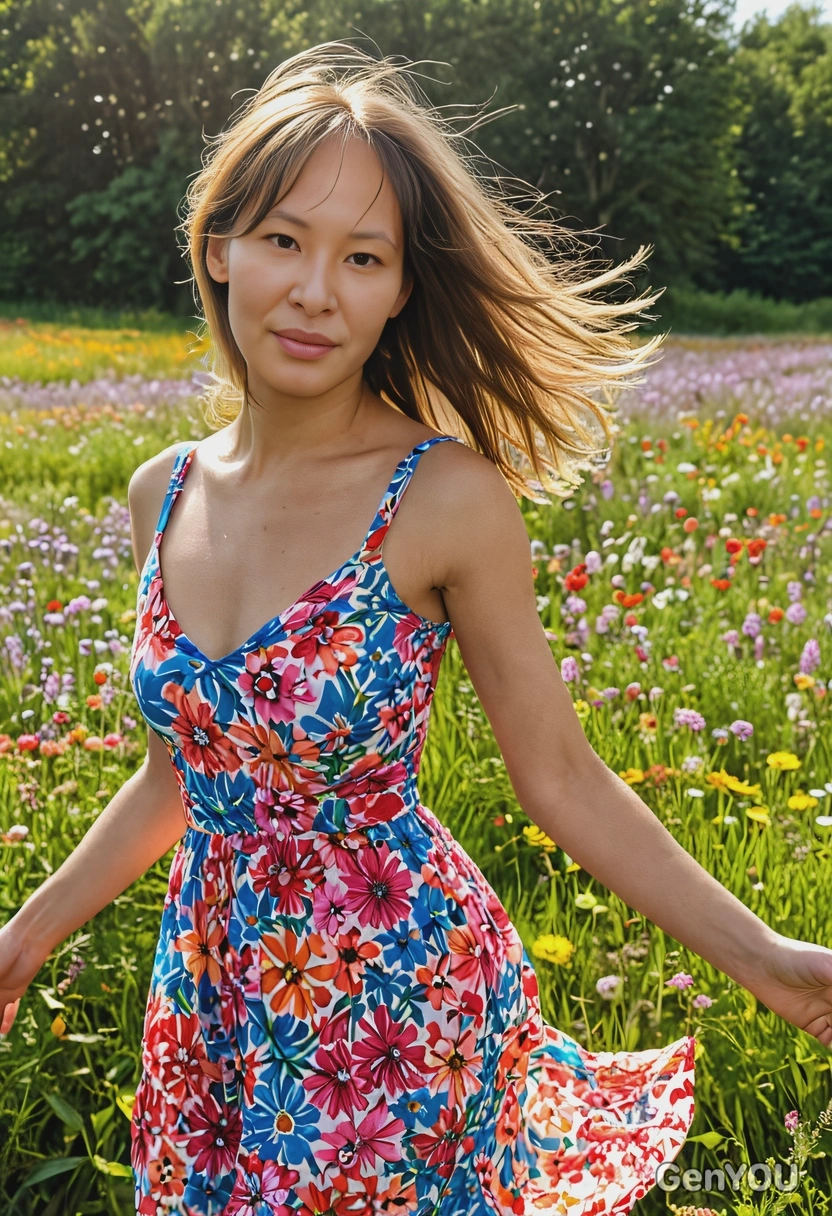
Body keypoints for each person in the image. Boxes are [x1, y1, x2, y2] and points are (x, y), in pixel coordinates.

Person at [2, 39, 831, 1216]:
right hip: (212, 1003)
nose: (315, 289)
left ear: (398, 290)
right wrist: (24, 937)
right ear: (219, 247)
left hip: (390, 1007)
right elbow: (177, 778)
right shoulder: (162, 491)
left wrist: (769, 962)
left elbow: (562, 776)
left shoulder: (441, 498)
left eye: (363, 257)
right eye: (283, 239)